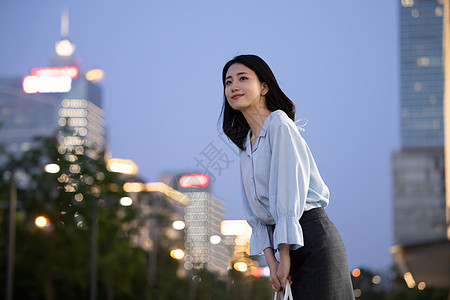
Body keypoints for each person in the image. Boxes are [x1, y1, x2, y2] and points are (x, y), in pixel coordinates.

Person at [219, 54, 354, 299]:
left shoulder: (278, 124)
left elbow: (287, 193)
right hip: (285, 245)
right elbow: (254, 213)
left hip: (312, 238)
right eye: (228, 82)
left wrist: (286, 256)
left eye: (242, 78)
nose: (234, 87)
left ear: (264, 87)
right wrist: (272, 261)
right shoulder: (245, 144)